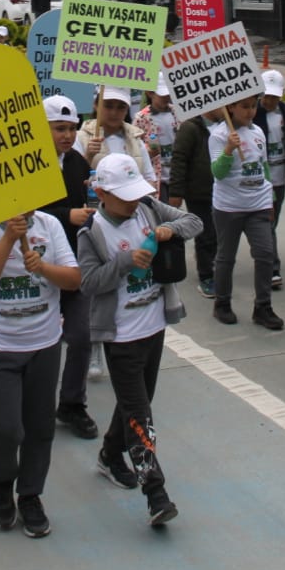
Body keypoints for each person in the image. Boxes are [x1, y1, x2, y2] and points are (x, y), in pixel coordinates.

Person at [76, 154, 201, 528]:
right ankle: (156, 493)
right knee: (141, 414)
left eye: (135, 193)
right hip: (122, 336)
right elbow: (89, 282)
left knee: (136, 404)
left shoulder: (147, 208)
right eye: (123, 195)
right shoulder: (92, 233)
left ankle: (110, 455)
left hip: (154, 327)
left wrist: (169, 231)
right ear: (100, 193)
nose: (132, 201)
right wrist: (127, 262)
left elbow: (193, 222)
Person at [0, 209, 82, 538]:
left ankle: (30, 495)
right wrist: (7, 239)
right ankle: (2, 481)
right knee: (3, 428)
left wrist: (42, 266)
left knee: (39, 427)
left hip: (43, 343)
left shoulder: (49, 225)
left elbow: (73, 279)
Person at [37, 95, 100, 441]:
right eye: (59, 128)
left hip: (75, 262)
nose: (66, 134)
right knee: (39, 342)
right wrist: (67, 216)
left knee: (81, 335)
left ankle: (72, 403)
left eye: (71, 128)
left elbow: (84, 204)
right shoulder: (27, 164)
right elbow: (21, 212)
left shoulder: (76, 161)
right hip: (37, 264)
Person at [209, 94, 283, 330]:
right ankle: (222, 303)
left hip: (258, 205)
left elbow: (264, 167)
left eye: (253, 106)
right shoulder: (219, 135)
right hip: (229, 207)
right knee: (226, 257)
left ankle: (263, 306)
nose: (250, 111)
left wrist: (270, 198)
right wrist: (229, 150)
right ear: (231, 107)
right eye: (244, 107)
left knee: (264, 253)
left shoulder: (258, 132)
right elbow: (218, 173)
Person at [168, 107, 222, 299]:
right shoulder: (190, 127)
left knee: (216, 234)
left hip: (222, 192)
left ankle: (209, 262)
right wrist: (176, 191)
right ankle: (206, 276)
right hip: (198, 192)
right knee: (205, 234)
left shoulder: (225, 127)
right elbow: (179, 159)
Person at [255, 70, 285, 291]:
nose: (270, 101)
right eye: (266, 96)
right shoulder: (253, 114)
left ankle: (264, 254)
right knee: (267, 222)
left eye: (274, 96)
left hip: (280, 177)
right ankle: (272, 267)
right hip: (261, 178)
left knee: (272, 222)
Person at [77, 87, 157, 186]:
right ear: (96, 105)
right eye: (108, 106)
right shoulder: (80, 138)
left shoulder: (136, 139)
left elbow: (150, 179)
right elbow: (73, 180)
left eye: (121, 107)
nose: (114, 113)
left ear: (127, 109)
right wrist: (88, 157)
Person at [133, 83, 178, 202]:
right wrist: (147, 153)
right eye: (162, 95)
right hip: (157, 175)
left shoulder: (177, 113)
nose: (166, 97)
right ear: (150, 93)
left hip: (177, 174)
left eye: (168, 94)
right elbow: (134, 148)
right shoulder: (141, 118)